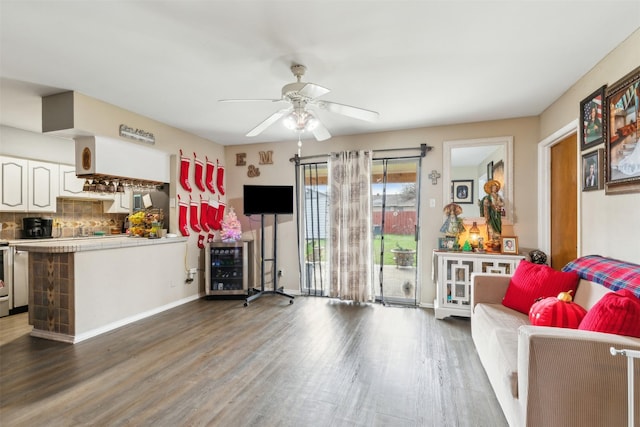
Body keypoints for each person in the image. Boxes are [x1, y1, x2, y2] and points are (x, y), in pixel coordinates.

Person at [481, 180, 504, 247]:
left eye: (496, 188)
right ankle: (492, 239)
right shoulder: (488, 197)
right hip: (491, 213)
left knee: (498, 225)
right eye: (494, 188)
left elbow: (502, 203)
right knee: (490, 225)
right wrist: (484, 203)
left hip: (497, 213)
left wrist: (499, 204)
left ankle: (497, 239)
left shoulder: (499, 196)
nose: (495, 189)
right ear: (491, 189)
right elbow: (485, 203)